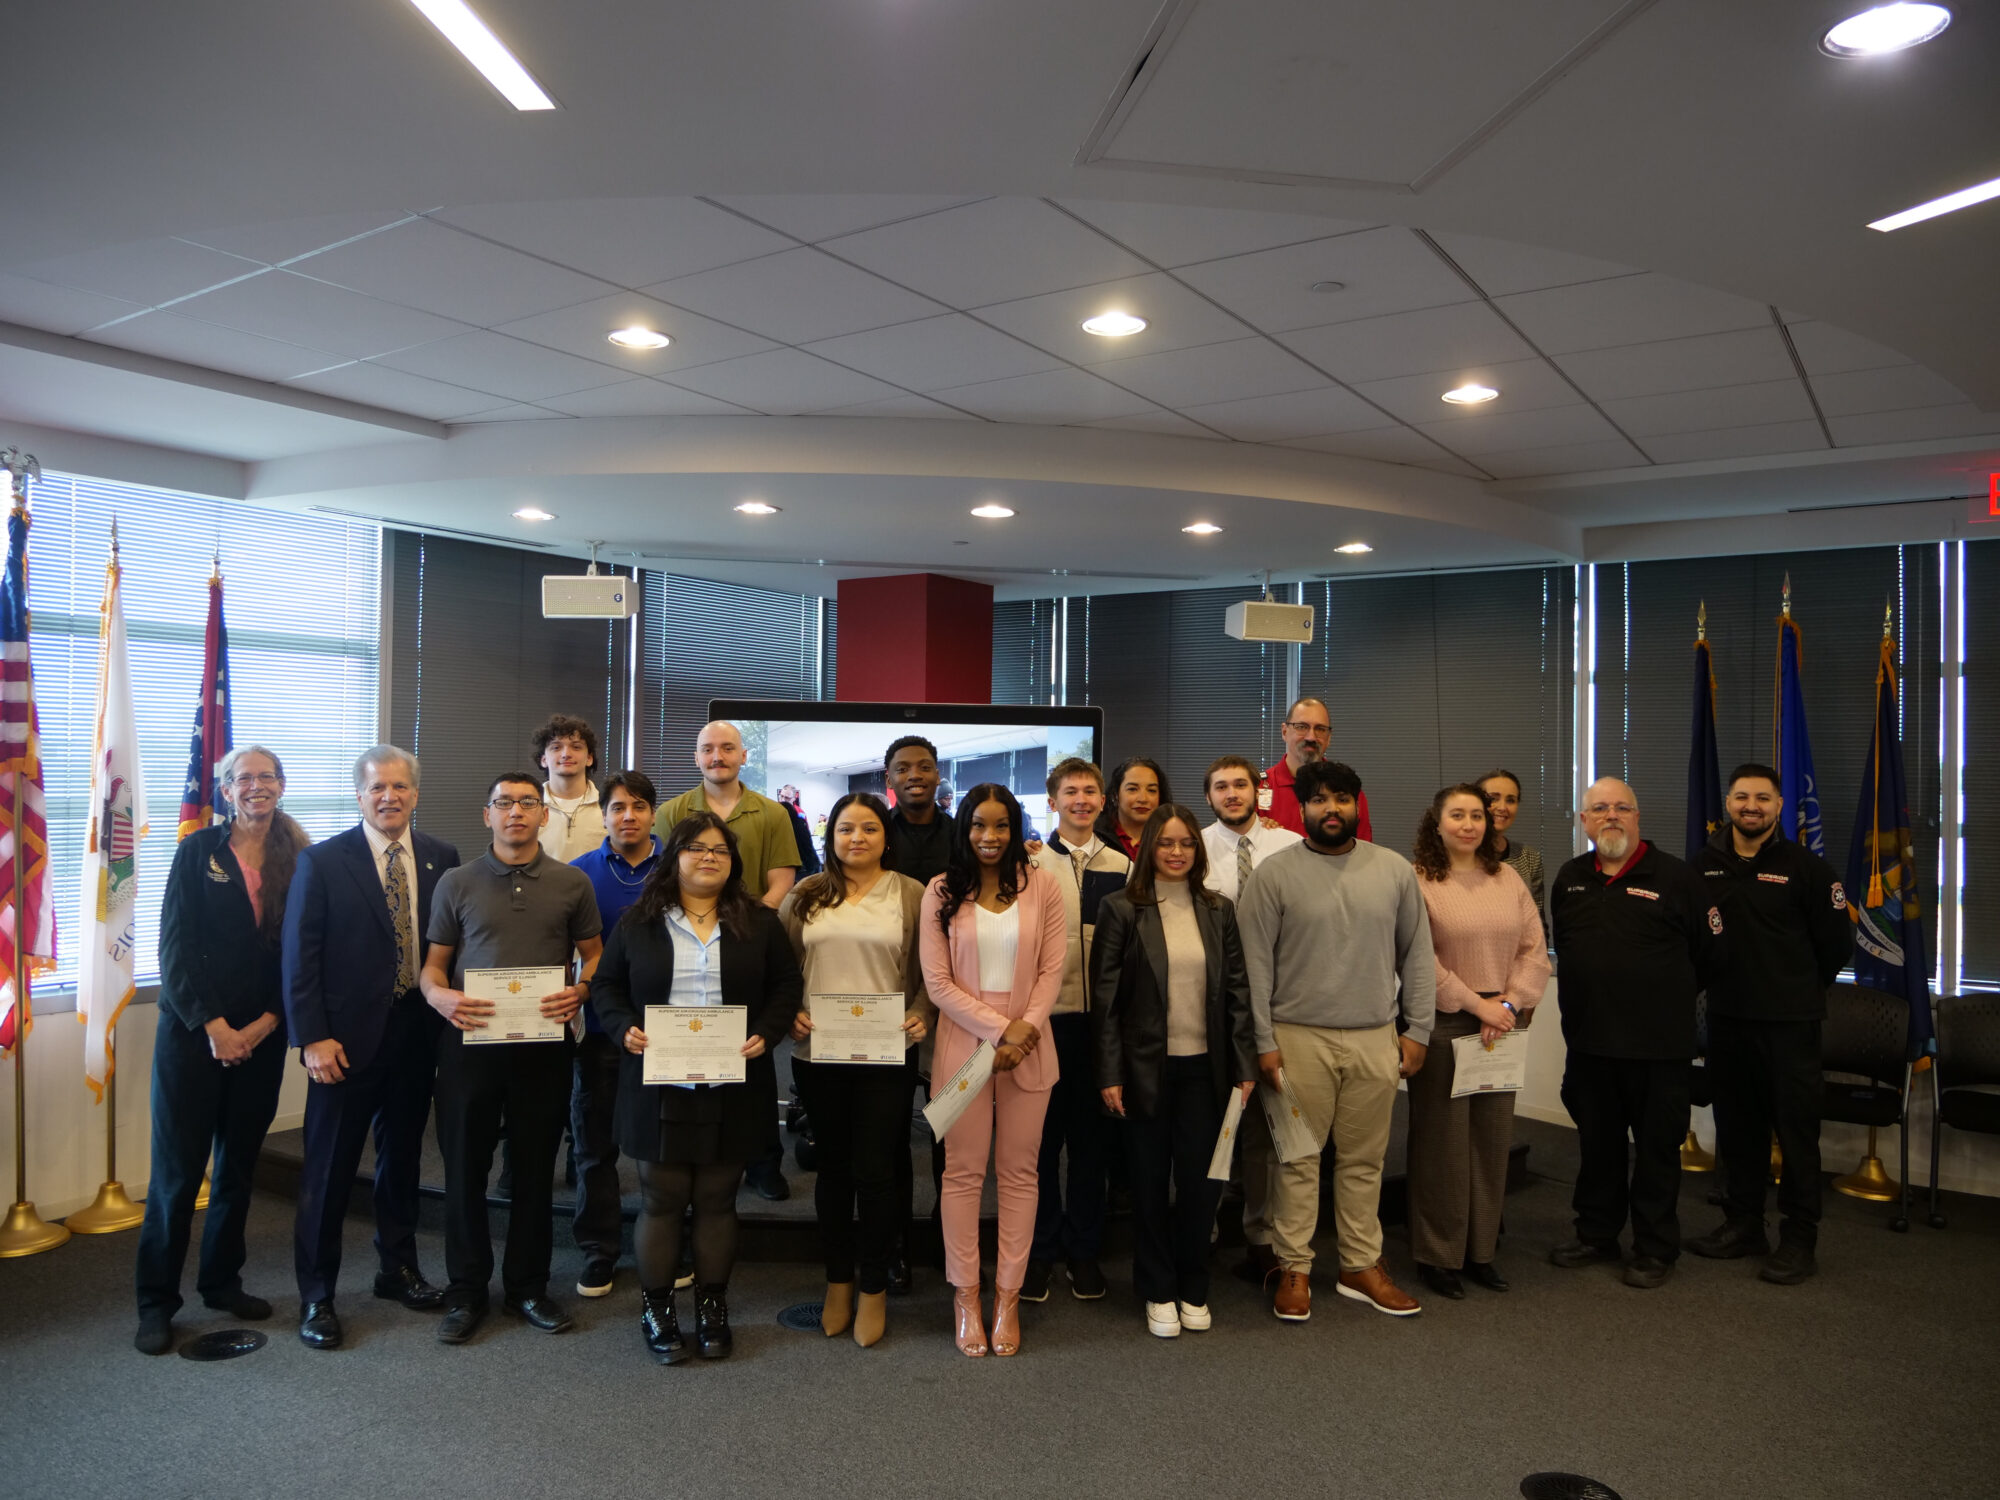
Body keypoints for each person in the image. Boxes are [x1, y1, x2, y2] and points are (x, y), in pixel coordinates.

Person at [591, 813, 804, 1363]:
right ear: (674, 857)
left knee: (716, 1199)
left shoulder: (758, 921)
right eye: (695, 848)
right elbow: (607, 985)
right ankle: (657, 1308)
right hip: (657, 1079)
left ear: (732, 863)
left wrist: (768, 1031)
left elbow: (786, 984)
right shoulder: (639, 920)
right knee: (661, 1200)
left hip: (731, 1078)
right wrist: (622, 1028)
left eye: (720, 850)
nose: (708, 857)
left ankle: (713, 1307)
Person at [1236, 759, 1434, 1323]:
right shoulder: (1274, 875)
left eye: (1342, 799)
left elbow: (1417, 955)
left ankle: (1359, 1265)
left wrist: (1417, 1028)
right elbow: (1254, 969)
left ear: (1356, 806)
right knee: (1296, 1159)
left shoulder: (1394, 870)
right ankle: (1294, 1266)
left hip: (1375, 1037)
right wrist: (1264, 1041)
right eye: (1320, 800)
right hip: (1297, 1039)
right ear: (1301, 808)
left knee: (1365, 1160)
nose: (1331, 809)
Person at [284, 745, 460, 1351]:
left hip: (415, 1037)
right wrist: (310, 1036)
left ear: (415, 794)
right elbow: (299, 958)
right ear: (359, 795)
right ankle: (317, 1295)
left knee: (404, 1161)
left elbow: (449, 947)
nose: (390, 797)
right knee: (330, 1171)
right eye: (377, 787)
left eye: (400, 787)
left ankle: (397, 1269)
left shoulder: (442, 858)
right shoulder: (322, 861)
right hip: (342, 1044)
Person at [134, 746, 307, 1355]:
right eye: (243, 778)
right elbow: (174, 950)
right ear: (225, 790)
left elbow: (299, 957)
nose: (256, 786)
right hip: (191, 1038)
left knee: (237, 1170)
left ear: (281, 786)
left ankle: (221, 1283)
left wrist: (263, 1025)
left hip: (263, 1036)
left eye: (266, 776)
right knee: (178, 1178)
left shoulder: (301, 858)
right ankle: (156, 1302)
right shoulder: (196, 853)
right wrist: (214, 1027)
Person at [421, 772, 603, 1343]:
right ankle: (466, 1291)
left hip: (542, 1047)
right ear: (488, 815)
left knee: (532, 1171)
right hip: (470, 1046)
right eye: (504, 803)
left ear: (543, 816)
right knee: (465, 1170)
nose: (516, 812)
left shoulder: (572, 883)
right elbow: (432, 967)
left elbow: (595, 957)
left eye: (528, 803)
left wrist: (583, 989)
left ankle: (528, 1286)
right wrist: (438, 994)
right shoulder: (455, 882)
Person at [1549, 777, 1724, 1290]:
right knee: (1598, 1147)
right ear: (1584, 821)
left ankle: (1654, 1247)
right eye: (1599, 809)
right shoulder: (1570, 877)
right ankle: (1596, 1234)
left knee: (1655, 1151)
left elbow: (1712, 956)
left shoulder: (1677, 877)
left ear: (1638, 816)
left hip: (1659, 1049)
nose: (1611, 817)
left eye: (1622, 807)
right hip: (1589, 1045)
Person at [1091, 804, 1257, 1339]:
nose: (1178, 851)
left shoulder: (1219, 909)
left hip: (1206, 1073)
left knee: (1200, 1186)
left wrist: (1244, 1066)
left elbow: (1237, 994)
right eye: (1167, 843)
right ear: (1149, 849)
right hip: (1144, 1072)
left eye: (1187, 843)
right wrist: (1109, 1072)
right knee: (1146, 1183)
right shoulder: (1121, 909)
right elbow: (1107, 1002)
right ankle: (1157, 1288)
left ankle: (1193, 1284)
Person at [1689, 762, 1852, 1285]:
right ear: (1729, 804)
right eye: (1742, 797)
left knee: (1796, 1134)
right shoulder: (1704, 865)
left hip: (1790, 1025)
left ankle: (1800, 1239)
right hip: (1728, 1020)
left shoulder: (1808, 869)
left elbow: (1835, 947)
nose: (1751, 806)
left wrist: (1793, 990)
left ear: (1780, 806)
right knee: (1739, 1130)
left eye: (1763, 798)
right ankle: (1744, 1226)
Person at [778, 793, 931, 1347]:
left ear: (886, 837)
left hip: (887, 1053)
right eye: (846, 829)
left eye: (869, 828)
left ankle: (873, 1286)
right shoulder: (806, 894)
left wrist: (920, 1013)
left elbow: (927, 970)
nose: (857, 838)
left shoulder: (912, 894)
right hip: (819, 1053)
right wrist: (790, 1009)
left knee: (877, 1170)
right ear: (831, 835)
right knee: (834, 1170)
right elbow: (783, 965)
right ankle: (837, 1281)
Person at [920, 783, 1067, 1357]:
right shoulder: (940, 891)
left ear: (1015, 828)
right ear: (964, 828)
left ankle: (1007, 1296)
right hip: (966, 1046)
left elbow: (1052, 970)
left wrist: (1024, 1028)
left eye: (1001, 825)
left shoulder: (1043, 886)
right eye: (979, 825)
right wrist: (999, 1029)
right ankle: (965, 1295)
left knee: (1020, 1174)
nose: (990, 836)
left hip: (1031, 1046)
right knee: (961, 1175)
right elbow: (937, 984)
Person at [1406, 784, 1549, 1300]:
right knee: (1442, 1147)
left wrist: (1509, 1004)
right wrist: (1478, 1004)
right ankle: (1437, 1256)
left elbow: (1535, 949)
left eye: (1477, 816)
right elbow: (1420, 960)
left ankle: (1480, 1251)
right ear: (1437, 823)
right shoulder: (1418, 880)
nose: (1469, 824)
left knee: (1491, 1144)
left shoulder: (1507, 876)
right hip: (1446, 1024)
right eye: (1457, 815)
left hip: (1501, 1026)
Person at [654, 719, 802, 1201]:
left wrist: (743, 922)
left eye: (727, 748)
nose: (716, 756)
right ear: (697, 757)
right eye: (707, 749)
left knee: (752, 1055)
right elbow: (664, 872)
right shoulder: (673, 811)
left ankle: (763, 1164)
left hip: (747, 940)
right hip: (687, 931)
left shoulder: (772, 813)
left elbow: (781, 880)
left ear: (743, 756)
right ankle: (696, 1156)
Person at [1023, 757, 1131, 1304]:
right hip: (1045, 1024)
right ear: (1053, 800)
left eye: (1090, 791)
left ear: (1102, 800)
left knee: (1092, 1147)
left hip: (1102, 1029)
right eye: (1071, 792)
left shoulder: (1123, 865)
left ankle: (1084, 1251)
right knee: (1039, 1146)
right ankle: (1040, 1251)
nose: (1082, 800)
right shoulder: (1031, 864)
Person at [566, 770, 661, 1299]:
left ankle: (666, 1242)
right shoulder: (577, 875)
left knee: (663, 1148)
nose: (628, 816)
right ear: (602, 815)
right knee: (594, 1147)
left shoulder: (682, 866)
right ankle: (599, 1250)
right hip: (600, 1030)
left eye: (639, 806)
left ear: (653, 814)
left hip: (668, 1034)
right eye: (618, 807)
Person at [882, 733, 955, 1288]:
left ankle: (946, 1235)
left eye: (924, 767)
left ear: (936, 775)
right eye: (903, 768)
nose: (914, 775)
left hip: (954, 1001)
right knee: (887, 1138)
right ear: (890, 778)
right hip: (886, 1002)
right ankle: (897, 1243)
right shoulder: (872, 833)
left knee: (949, 1132)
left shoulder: (963, 834)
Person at [1264, 697, 1373, 843]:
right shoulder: (1256, 788)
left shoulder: (1348, 791)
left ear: (1329, 738)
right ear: (1284, 732)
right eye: (1301, 727)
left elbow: (1362, 851)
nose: (1311, 737)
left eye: (1320, 729)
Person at [1201, 754, 1301, 905]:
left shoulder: (1292, 845)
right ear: (1208, 797)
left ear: (1257, 792)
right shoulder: (1196, 849)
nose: (1232, 795)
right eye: (1221, 787)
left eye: (1240, 785)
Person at [535, 713, 605, 863]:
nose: (566, 754)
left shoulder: (608, 807)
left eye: (576, 747)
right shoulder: (529, 807)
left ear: (589, 758)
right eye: (556, 747)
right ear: (543, 759)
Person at [1477, 769, 1545, 917]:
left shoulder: (1529, 858)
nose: (1502, 807)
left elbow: (1538, 923)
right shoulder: (1459, 856)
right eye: (1493, 798)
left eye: (1510, 800)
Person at [1095, 757, 1169, 861]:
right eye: (1132, 789)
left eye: (1152, 790)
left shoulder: (1170, 839)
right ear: (1115, 795)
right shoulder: (1095, 836)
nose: (1143, 799)